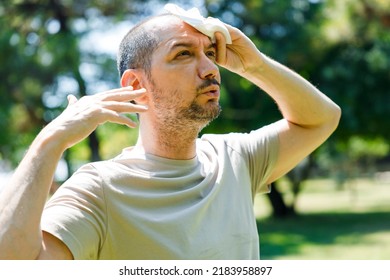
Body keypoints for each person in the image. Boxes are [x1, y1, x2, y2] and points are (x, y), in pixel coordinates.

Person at [0, 5, 341, 260]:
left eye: (209, 53)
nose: (211, 69)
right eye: (183, 54)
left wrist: (255, 65)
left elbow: (321, 118)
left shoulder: (236, 159)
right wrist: (50, 140)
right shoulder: (99, 190)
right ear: (136, 84)